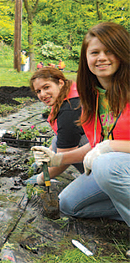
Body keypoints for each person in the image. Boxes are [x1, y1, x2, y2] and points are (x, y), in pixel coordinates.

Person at [31, 22, 130, 226]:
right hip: (115, 167)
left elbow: (103, 147)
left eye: (109, 51)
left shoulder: (69, 109)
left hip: (114, 166)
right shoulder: (92, 96)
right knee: (69, 204)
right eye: (94, 52)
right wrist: (57, 158)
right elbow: (95, 143)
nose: (101, 57)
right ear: (86, 59)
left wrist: (108, 147)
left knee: (104, 164)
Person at [26, 67, 87, 185]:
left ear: (60, 83)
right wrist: (48, 153)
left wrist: (42, 178)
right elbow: (60, 137)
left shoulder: (70, 110)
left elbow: (64, 159)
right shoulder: (69, 93)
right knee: (58, 139)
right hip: (95, 149)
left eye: (46, 87)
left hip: (103, 165)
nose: (43, 94)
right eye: (38, 91)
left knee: (68, 201)